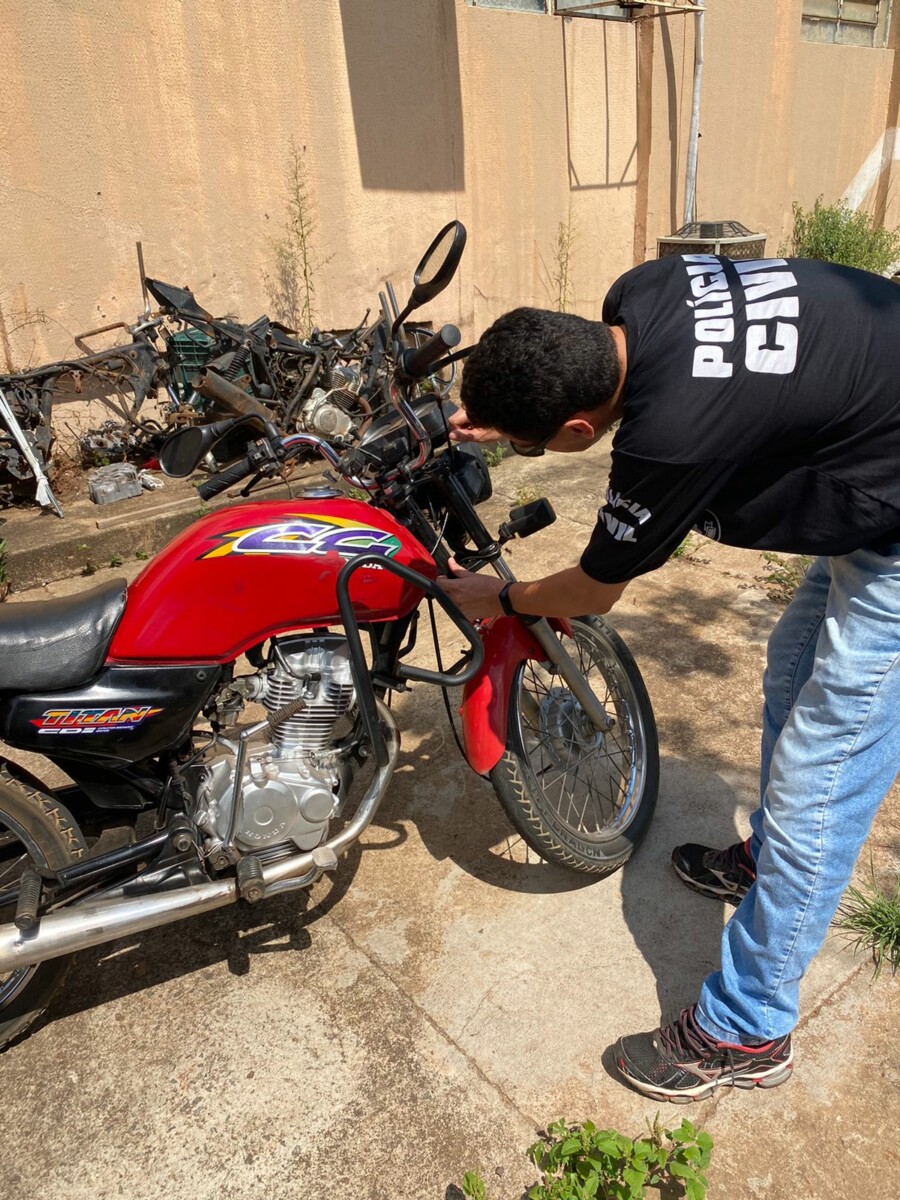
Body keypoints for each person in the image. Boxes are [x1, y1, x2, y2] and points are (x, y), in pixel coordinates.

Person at [437, 253, 900, 1103]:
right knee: (790, 674)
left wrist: (502, 594)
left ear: (580, 432)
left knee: (819, 787)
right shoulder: (642, 294)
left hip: (894, 513)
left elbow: (594, 587)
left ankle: (748, 1030)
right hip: (873, 443)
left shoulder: (670, 434)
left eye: (532, 441)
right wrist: (494, 418)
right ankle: (769, 864)